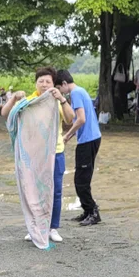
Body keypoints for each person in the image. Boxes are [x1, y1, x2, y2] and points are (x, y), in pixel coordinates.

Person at [2, 67, 74, 243]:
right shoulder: (29, 102)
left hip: (55, 153)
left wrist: (62, 99)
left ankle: (52, 228)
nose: (44, 84)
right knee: (33, 191)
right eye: (40, 81)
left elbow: (70, 119)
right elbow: (6, 115)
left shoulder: (56, 101)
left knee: (55, 191)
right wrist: (13, 98)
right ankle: (35, 227)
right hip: (34, 156)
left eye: (48, 81)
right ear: (36, 83)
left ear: (53, 84)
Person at [56, 70, 102, 227]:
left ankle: (93, 212)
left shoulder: (75, 93)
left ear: (63, 84)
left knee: (81, 180)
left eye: (59, 88)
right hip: (91, 138)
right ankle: (88, 211)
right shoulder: (80, 91)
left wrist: (68, 134)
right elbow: (84, 119)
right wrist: (72, 135)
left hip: (88, 141)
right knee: (83, 178)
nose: (60, 92)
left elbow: (81, 119)